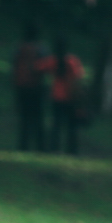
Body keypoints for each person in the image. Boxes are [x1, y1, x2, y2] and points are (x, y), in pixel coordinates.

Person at [39, 40, 85, 156]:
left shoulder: (53, 60)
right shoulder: (72, 61)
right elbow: (79, 78)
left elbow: (37, 67)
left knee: (56, 125)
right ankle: (72, 150)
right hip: (71, 98)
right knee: (72, 127)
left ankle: (54, 148)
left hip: (57, 97)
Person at [10, 23, 48, 151]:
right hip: (36, 87)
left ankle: (23, 146)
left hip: (21, 87)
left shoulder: (19, 48)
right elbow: (45, 67)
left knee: (24, 118)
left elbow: (14, 66)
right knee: (37, 118)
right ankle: (40, 147)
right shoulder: (40, 48)